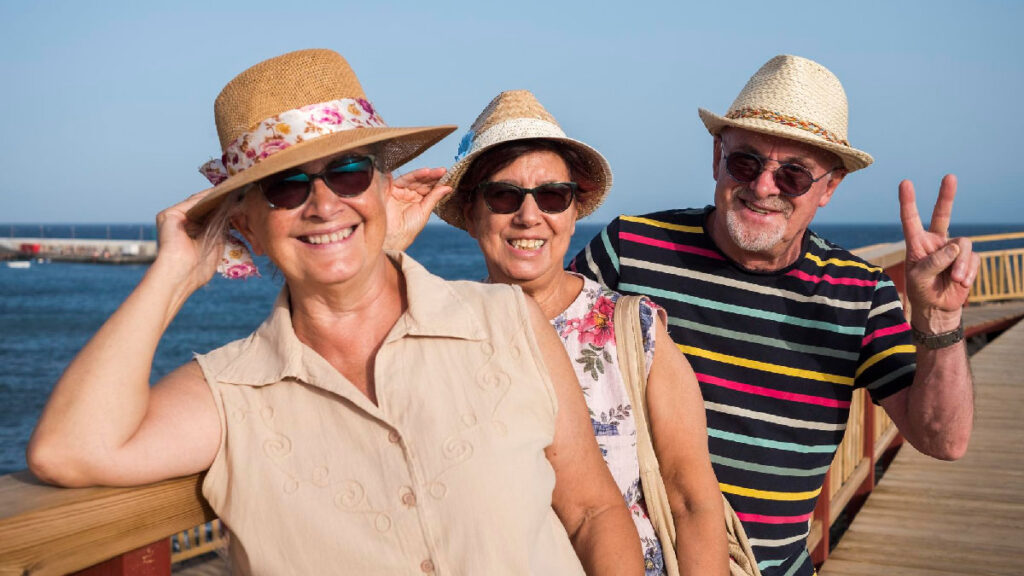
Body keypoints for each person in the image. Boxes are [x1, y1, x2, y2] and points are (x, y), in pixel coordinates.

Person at [26, 49, 644, 575]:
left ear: (385, 188)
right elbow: (69, 450)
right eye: (286, 186)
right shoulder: (232, 392)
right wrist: (174, 274)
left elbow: (593, 511)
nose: (323, 204)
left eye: (348, 173)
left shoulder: (507, 321)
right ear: (247, 225)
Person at [568, 54, 980, 576]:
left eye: (793, 176)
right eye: (746, 162)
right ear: (718, 156)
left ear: (829, 188)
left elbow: (943, 438)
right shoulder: (629, 249)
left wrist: (940, 321)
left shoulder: (860, 293)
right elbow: (544, 359)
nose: (763, 187)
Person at [390, 90, 729, 576]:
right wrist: (384, 247)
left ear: (574, 210)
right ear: (470, 213)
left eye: (552, 196)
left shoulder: (631, 331)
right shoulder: (440, 331)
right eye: (504, 195)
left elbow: (692, 500)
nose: (530, 216)